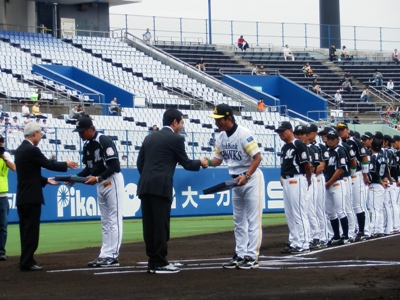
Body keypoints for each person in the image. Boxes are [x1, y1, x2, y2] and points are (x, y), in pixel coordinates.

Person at [137, 108, 208, 274]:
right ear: (174, 122)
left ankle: (153, 261)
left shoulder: (149, 137)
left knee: (149, 226)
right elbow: (187, 164)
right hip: (161, 187)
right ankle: (161, 262)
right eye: (181, 122)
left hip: (145, 185)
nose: (182, 126)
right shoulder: (176, 139)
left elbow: (140, 164)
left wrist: (150, 177)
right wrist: (202, 162)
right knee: (161, 225)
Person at [207, 104, 264, 268]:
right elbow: (217, 160)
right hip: (234, 181)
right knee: (239, 221)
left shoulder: (244, 134)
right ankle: (240, 254)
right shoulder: (221, 137)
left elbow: (257, 157)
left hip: (251, 179)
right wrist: (207, 162)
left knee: (253, 220)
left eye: (219, 120)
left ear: (229, 119)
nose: (216, 123)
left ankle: (252, 257)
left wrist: (247, 175)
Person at [15, 122, 77, 271]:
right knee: (31, 231)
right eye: (40, 134)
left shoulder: (19, 150)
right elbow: (48, 164)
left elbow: (28, 174)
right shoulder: (32, 150)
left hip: (22, 196)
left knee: (25, 230)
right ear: (34, 133)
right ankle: (27, 262)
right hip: (31, 197)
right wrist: (66, 164)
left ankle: (26, 259)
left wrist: (45, 180)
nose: (41, 136)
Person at [72, 117, 125, 268]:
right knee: (105, 221)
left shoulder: (103, 140)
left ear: (91, 128)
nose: (80, 135)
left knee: (114, 219)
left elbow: (114, 165)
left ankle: (112, 256)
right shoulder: (88, 145)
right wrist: (75, 178)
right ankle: (104, 254)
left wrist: (98, 178)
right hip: (100, 183)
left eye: (82, 132)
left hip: (112, 180)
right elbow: (89, 169)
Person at [276, 121, 312, 254]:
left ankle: (304, 243)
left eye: (282, 131)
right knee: (290, 213)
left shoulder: (299, 143)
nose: (281, 134)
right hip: (287, 179)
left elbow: (306, 164)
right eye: (279, 132)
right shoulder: (285, 147)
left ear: (290, 130)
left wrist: (307, 179)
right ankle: (295, 242)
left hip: (297, 178)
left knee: (299, 212)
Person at [336, 123, 370, 241]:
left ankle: (363, 231)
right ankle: (355, 230)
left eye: (342, 130)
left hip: (357, 174)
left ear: (347, 130)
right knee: (349, 205)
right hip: (347, 176)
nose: (341, 132)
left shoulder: (355, 142)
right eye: (339, 130)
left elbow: (364, 157)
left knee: (358, 205)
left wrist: (365, 174)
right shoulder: (339, 144)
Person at [323, 129, 351, 245]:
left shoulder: (340, 151)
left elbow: (340, 169)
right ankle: (336, 235)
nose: (330, 141)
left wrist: (329, 182)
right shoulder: (327, 152)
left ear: (337, 140)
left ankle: (345, 235)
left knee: (340, 210)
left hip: (337, 183)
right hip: (328, 184)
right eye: (328, 139)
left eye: (332, 139)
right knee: (330, 212)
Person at [0, 134, 16, 261]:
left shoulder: (5, 155)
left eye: (2, 142)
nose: (1, 144)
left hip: (3, 195)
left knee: (2, 225)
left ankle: (1, 251)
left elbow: (14, 168)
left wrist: (4, 157)